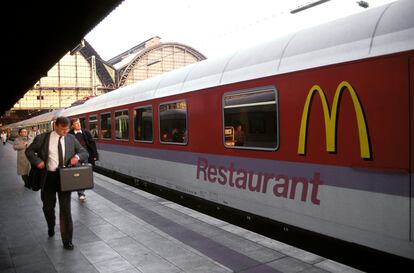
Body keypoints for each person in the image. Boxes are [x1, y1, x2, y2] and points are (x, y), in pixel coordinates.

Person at [25, 116, 88, 250]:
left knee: (66, 210)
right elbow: (29, 151)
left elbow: (84, 152)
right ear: (55, 126)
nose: (65, 132)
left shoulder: (71, 139)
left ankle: (67, 240)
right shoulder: (43, 138)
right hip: (48, 178)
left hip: (64, 178)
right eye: (62, 129)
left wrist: (77, 157)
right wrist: (38, 162)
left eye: (67, 129)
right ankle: (51, 225)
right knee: (48, 207)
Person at [68, 118, 98, 201]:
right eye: (76, 123)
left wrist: (95, 155)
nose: (79, 125)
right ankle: (81, 193)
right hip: (76, 157)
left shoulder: (86, 132)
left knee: (84, 173)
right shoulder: (70, 134)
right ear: (72, 125)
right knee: (79, 174)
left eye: (79, 123)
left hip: (86, 155)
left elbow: (92, 144)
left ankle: (81, 192)